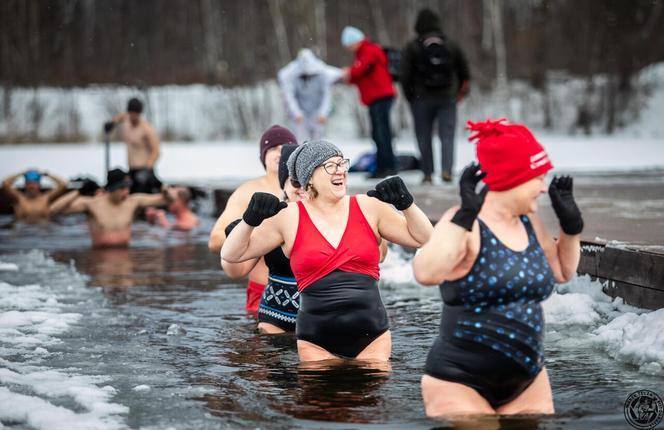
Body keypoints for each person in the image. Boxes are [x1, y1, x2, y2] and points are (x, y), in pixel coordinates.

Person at [412, 119, 583, 417]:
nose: (544, 188)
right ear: (513, 178)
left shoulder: (531, 224)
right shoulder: (466, 223)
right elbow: (427, 272)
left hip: (528, 380)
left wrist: (571, 229)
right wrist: (465, 215)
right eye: (538, 178)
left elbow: (563, 272)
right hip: (460, 380)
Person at [221, 140, 433, 362]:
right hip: (316, 341)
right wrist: (250, 220)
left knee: (372, 395)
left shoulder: (369, 207)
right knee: (318, 397)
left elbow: (426, 239)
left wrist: (406, 204)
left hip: (372, 337)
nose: (340, 170)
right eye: (330, 166)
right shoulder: (289, 217)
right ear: (309, 177)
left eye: (342, 163)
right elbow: (231, 255)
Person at [208, 125, 298, 316]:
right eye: (273, 148)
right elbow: (215, 240)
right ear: (263, 156)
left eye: (286, 147)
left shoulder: (310, 190)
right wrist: (254, 233)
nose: (280, 152)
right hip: (264, 293)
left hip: (309, 293)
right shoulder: (248, 192)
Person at [400, 8, 471, 185]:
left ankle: (427, 173)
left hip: (421, 99)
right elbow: (464, 72)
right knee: (447, 135)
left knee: (423, 136)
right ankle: (447, 170)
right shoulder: (450, 44)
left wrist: (411, 97)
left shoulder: (413, 46)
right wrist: (460, 94)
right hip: (447, 97)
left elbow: (405, 75)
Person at [50, 168, 174, 248]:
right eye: (122, 188)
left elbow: (168, 200)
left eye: (128, 188)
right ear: (111, 188)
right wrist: (78, 192)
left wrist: (164, 188)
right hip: (100, 258)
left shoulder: (133, 201)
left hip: (125, 257)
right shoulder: (93, 204)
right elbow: (53, 210)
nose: (126, 192)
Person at [340, 26, 398, 179]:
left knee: (381, 133)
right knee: (379, 133)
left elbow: (359, 70)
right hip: (376, 98)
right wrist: (350, 74)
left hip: (381, 96)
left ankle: (386, 167)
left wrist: (349, 72)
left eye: (348, 44)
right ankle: (386, 166)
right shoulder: (363, 52)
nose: (348, 48)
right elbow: (359, 74)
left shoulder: (368, 50)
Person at [278, 49, 343, 141]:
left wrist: (323, 113)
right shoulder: (292, 75)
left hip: (317, 112)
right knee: (300, 140)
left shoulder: (322, 74)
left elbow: (326, 96)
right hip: (300, 114)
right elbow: (290, 95)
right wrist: (296, 113)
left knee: (318, 140)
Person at [104, 98, 163, 194]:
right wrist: (112, 123)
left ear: (139, 114)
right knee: (127, 194)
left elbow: (156, 151)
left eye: (136, 114)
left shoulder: (147, 129)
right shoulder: (126, 121)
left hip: (144, 171)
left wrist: (147, 169)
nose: (133, 117)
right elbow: (121, 117)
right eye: (131, 114)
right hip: (131, 170)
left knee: (142, 198)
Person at [1, 169, 67, 223]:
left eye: (34, 183)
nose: (31, 186)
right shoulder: (18, 198)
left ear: (39, 185)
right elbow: (5, 184)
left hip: (43, 231)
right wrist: (21, 173)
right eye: (29, 183)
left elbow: (63, 184)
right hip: (22, 231)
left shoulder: (46, 198)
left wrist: (47, 174)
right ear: (25, 185)